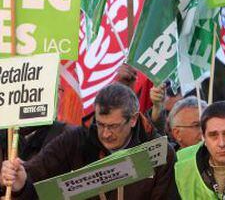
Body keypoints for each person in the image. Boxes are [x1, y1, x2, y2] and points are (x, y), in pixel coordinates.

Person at [0, 83, 175, 200]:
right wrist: (19, 182)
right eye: (100, 125)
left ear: (133, 119)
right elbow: (35, 180)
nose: (106, 134)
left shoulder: (159, 153)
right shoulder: (75, 141)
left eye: (113, 126)